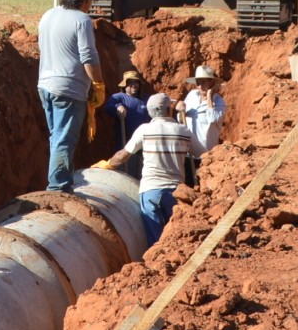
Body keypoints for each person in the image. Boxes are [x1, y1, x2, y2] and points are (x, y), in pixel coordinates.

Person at [94, 93, 194, 247]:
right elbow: (199, 154)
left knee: (156, 241)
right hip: (176, 191)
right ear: (168, 110)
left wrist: (108, 164)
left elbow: (123, 156)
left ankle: (158, 265)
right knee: (176, 238)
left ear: (150, 112)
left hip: (151, 191)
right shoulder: (183, 131)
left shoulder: (144, 130)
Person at [37, 0, 104, 191]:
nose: (91, 4)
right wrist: (98, 83)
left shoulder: (47, 15)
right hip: (69, 88)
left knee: (56, 136)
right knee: (64, 138)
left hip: (45, 85)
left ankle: (61, 181)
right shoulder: (81, 20)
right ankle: (58, 187)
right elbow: (89, 57)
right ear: (84, 0)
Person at [99, 70, 152, 179]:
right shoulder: (119, 97)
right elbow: (108, 108)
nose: (134, 85)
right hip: (125, 147)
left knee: (142, 176)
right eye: (130, 82)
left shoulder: (145, 99)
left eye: (136, 82)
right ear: (124, 84)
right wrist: (117, 106)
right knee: (126, 176)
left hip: (144, 147)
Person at [182, 64, 225, 158]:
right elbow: (181, 118)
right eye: (198, 83)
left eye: (203, 82)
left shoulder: (218, 101)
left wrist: (209, 95)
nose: (200, 86)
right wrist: (180, 111)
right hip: (188, 154)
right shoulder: (191, 95)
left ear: (212, 82)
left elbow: (213, 118)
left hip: (207, 156)